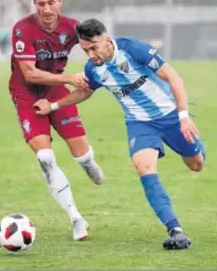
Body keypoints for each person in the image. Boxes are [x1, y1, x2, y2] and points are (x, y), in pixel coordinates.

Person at [33, 18, 206, 250]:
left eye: (94, 47)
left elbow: (174, 77)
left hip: (171, 115)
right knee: (144, 168)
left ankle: (193, 147)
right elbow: (84, 92)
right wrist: (53, 106)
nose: (90, 54)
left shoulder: (133, 49)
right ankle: (175, 230)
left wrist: (183, 116)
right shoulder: (93, 69)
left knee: (196, 164)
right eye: (85, 50)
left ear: (106, 40)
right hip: (139, 123)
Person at [9, 0, 105, 241]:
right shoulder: (22, 29)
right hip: (26, 93)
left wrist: (100, 66)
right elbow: (29, 73)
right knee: (45, 158)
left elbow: (99, 45)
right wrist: (69, 78)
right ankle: (76, 218)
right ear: (35, 4)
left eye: (51, 3)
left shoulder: (74, 27)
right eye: (41, 4)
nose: (47, 9)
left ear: (60, 2)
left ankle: (87, 163)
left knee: (82, 156)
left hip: (56, 92)